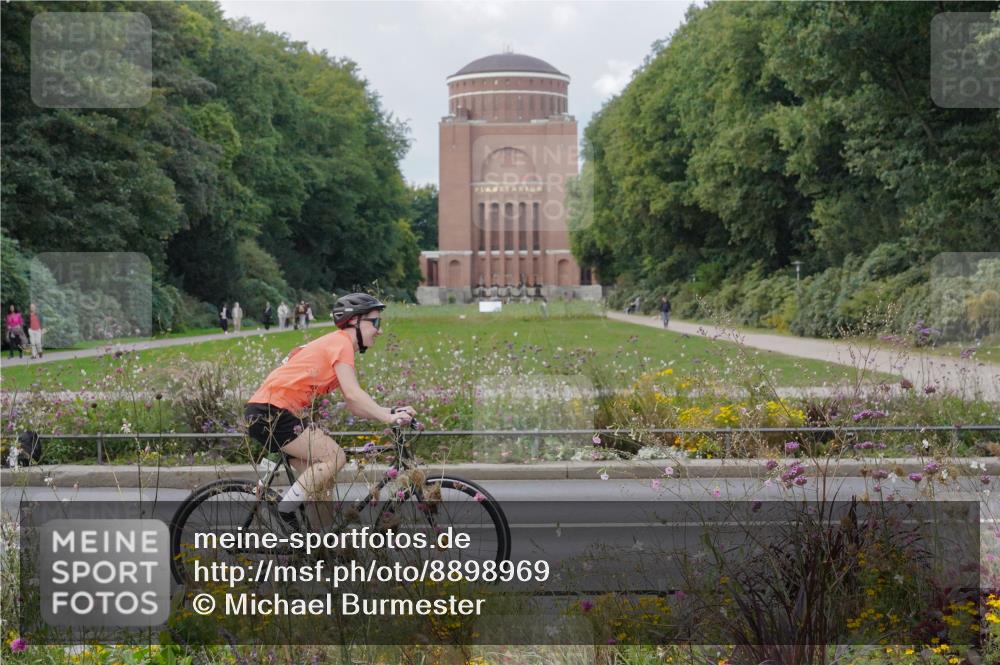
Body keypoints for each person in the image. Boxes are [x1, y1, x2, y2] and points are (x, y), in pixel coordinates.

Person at [245, 293, 416, 529]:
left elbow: (354, 404)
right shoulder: (341, 343)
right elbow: (354, 394)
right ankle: (286, 508)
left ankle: (321, 548)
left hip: (275, 413)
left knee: (322, 486)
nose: (379, 330)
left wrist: (390, 411)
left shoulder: (338, 345)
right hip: (271, 412)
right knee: (335, 457)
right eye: (375, 322)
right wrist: (388, 417)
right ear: (355, 321)